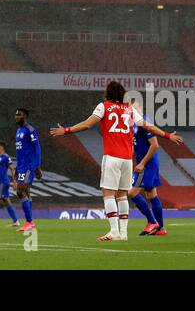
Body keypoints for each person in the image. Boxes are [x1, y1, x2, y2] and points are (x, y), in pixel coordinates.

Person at [50, 81, 184, 242]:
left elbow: (87, 125)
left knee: (108, 193)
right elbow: (149, 127)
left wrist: (66, 130)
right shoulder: (130, 109)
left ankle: (113, 231)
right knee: (122, 195)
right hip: (127, 159)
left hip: (112, 157)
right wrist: (168, 135)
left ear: (108, 93)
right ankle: (123, 233)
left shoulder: (104, 106)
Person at [130, 123, 165, 235]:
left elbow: (155, 145)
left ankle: (152, 222)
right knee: (151, 194)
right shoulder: (131, 125)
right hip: (148, 163)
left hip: (147, 164)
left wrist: (142, 163)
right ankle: (160, 228)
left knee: (132, 192)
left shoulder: (144, 124)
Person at [11, 108, 41, 233]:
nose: (16, 116)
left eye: (19, 115)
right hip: (22, 166)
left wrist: (37, 166)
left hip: (29, 166)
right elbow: (20, 152)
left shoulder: (30, 130)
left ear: (25, 116)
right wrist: (18, 168)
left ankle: (29, 222)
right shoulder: (18, 131)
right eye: (15, 114)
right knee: (26, 192)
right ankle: (30, 223)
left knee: (20, 190)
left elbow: (37, 148)